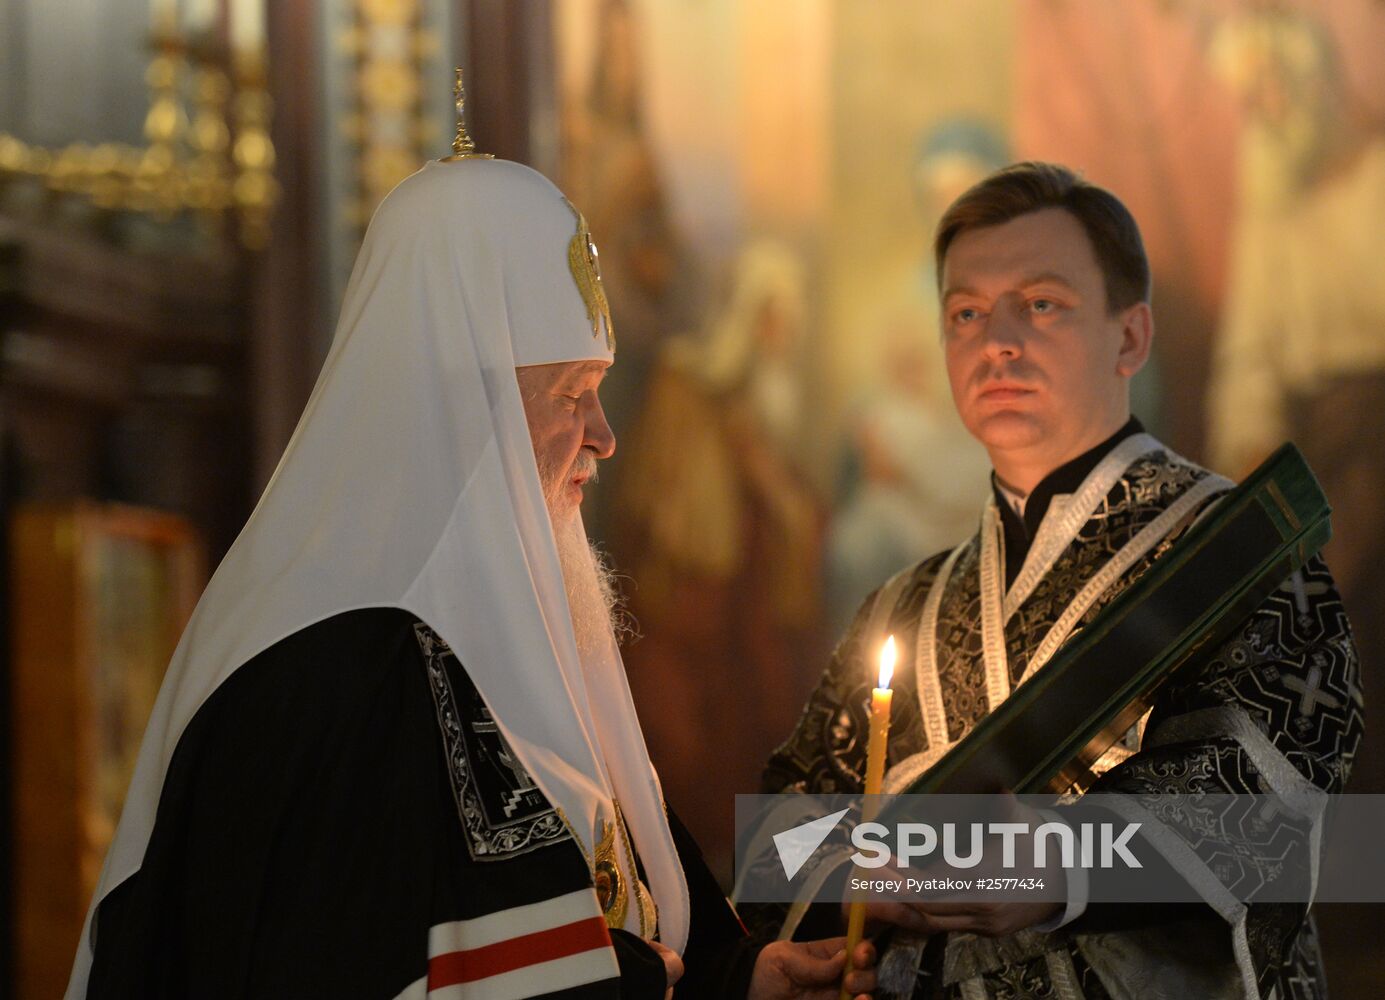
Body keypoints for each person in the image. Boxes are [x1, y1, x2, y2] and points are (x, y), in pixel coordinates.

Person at [64, 138, 875, 997]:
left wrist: (738, 975)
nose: (605, 437)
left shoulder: (519, 636)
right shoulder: (339, 672)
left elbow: (610, 894)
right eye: (571, 395)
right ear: (463, 408)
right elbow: (356, 960)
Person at [757, 162, 1362, 997]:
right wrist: (863, 863)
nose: (996, 340)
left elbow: (1266, 804)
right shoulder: (901, 606)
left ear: (1130, 337)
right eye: (965, 312)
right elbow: (776, 832)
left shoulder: (1240, 559)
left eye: (1040, 304)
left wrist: (1055, 867)